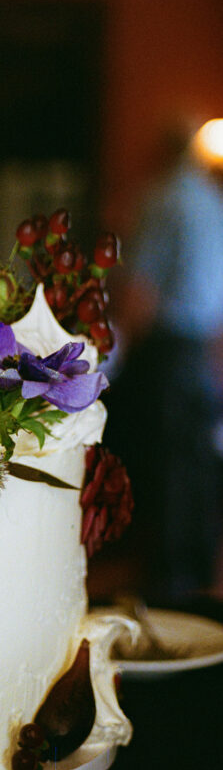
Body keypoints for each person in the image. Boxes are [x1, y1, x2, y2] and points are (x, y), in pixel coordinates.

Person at [110, 126, 223, 601]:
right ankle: (201, 578)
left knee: (168, 464)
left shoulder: (164, 198)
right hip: (202, 347)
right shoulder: (210, 200)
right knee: (198, 462)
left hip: (167, 347)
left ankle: (170, 584)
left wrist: (117, 350)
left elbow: (143, 286)